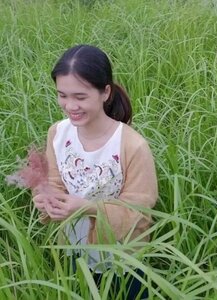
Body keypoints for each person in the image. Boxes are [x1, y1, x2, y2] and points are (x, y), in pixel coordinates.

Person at [33, 44, 158, 299]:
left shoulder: (132, 145)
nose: (70, 106)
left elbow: (140, 211)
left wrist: (87, 207)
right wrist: (48, 199)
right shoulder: (58, 133)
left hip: (122, 256)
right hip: (73, 248)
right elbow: (54, 181)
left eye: (80, 97)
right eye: (62, 95)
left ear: (105, 92)